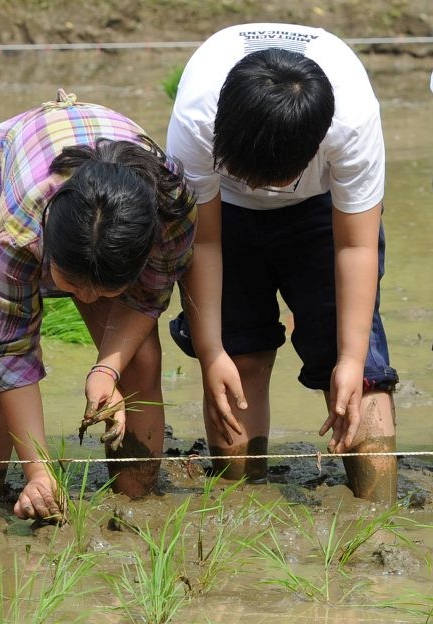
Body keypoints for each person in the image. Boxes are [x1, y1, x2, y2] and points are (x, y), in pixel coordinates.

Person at [167, 24, 397, 502]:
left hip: (321, 207)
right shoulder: (196, 117)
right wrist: (211, 352)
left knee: (361, 373)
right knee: (239, 354)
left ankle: (379, 526)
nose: (267, 191)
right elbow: (203, 243)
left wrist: (352, 361)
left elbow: (355, 246)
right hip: (222, 212)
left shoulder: (351, 119)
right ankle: (240, 509)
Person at [0, 90, 195, 520]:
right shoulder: (18, 232)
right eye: (72, 284)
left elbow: (148, 297)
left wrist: (106, 369)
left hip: (118, 205)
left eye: (102, 290)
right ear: (48, 253)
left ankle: (134, 508)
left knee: (142, 363)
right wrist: (39, 472)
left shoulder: (171, 210)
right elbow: (12, 351)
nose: (83, 300)